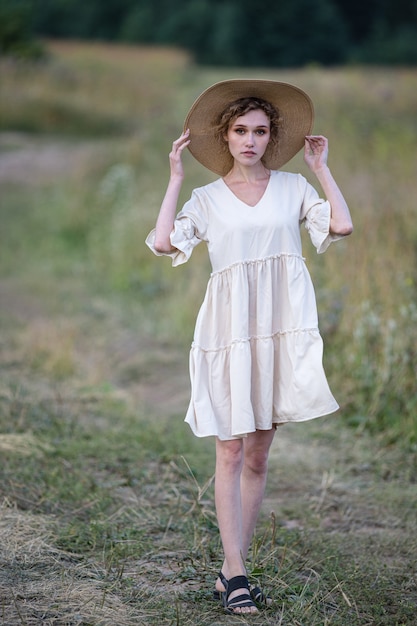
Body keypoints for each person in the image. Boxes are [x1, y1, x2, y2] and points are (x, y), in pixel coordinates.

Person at [146, 79, 353, 615]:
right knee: (231, 448)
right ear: (226, 135)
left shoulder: (293, 189)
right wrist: (174, 178)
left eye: (261, 132)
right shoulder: (206, 198)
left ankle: (230, 568)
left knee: (259, 453)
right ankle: (236, 572)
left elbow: (343, 225)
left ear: (270, 138)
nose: (250, 140)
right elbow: (167, 242)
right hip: (230, 332)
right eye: (241, 130)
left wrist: (321, 170)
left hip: (279, 328)